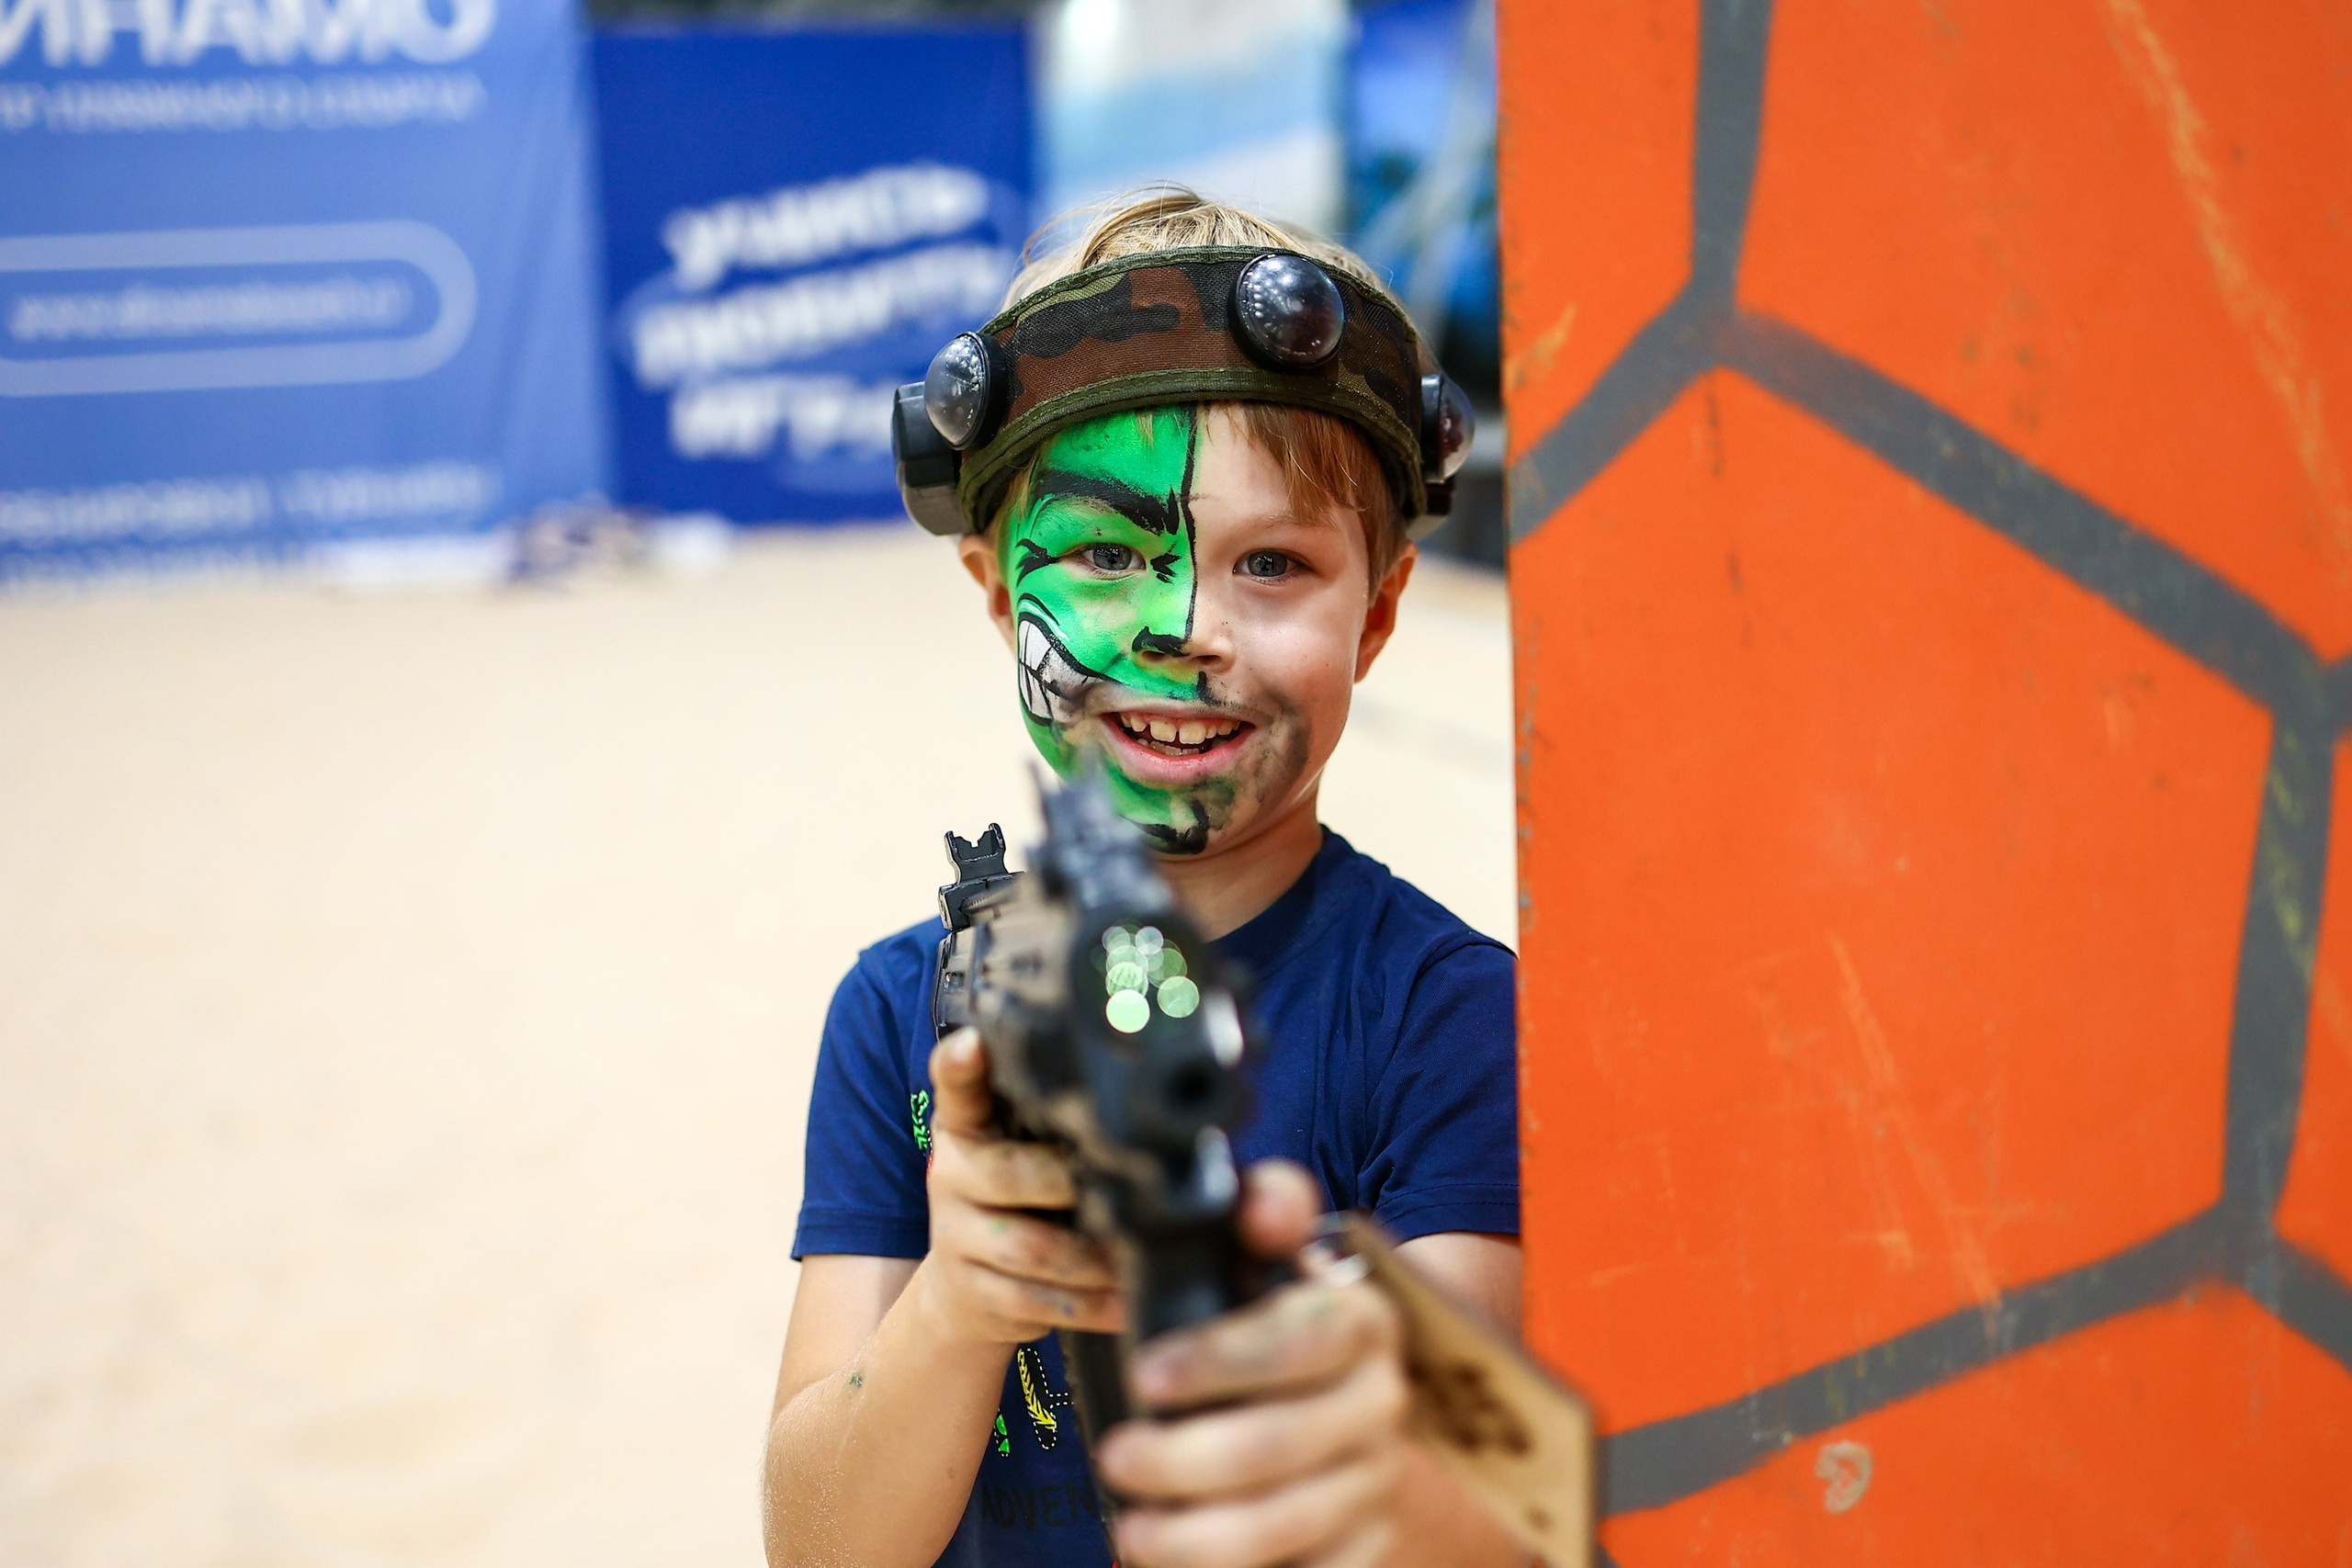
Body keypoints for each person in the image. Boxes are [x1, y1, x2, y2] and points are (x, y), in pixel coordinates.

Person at [763, 190, 1524, 1568]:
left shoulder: (1452, 1018)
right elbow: (818, 1546)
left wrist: (1315, 1394)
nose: (1187, 632)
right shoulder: (899, 1019)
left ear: (1384, 610)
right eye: (1112, 555)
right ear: (1001, 594)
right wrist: (961, 1302)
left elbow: (1490, 1508)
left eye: (1274, 564)